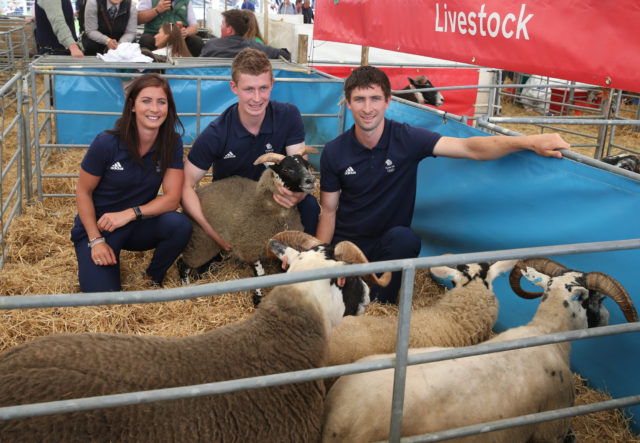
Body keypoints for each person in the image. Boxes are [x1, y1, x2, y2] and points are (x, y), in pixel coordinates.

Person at [316, 65, 571, 304]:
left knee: (405, 239)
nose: (367, 107)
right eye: (359, 99)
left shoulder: (406, 138)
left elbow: (469, 147)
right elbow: (328, 210)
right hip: (347, 248)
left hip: (388, 246)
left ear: (388, 101)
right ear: (348, 103)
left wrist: (529, 142)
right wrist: (322, 261)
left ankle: (380, 304)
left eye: (375, 99)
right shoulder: (334, 152)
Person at [182, 48, 320, 255]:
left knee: (309, 206)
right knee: (204, 263)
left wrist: (296, 196)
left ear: (272, 84)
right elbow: (185, 183)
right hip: (234, 209)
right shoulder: (216, 133)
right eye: (249, 89)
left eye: (263, 88)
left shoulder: (288, 116)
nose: (257, 98)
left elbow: (299, 165)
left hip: (273, 200)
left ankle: (302, 260)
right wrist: (210, 229)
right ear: (234, 87)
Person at [71, 73, 193, 292]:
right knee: (104, 299)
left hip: (135, 223)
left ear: (169, 107)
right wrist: (95, 240)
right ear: (132, 106)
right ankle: (91, 265)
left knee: (180, 225)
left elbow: (172, 199)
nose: (154, 109)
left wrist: (130, 213)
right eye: (146, 101)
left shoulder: (171, 142)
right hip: (100, 226)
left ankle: (152, 278)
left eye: (161, 102)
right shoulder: (107, 142)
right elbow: (83, 192)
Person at [200, 9, 289, 60]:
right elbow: (284, 54)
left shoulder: (211, 45)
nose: (220, 26)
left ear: (229, 29)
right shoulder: (255, 47)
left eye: (223, 23)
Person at [137, 0, 203, 57]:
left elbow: (194, 26)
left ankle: (186, 68)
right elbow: (139, 19)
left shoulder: (186, 1)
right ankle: (153, 68)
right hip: (155, 35)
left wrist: (186, 32)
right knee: (146, 40)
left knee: (197, 42)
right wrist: (157, 10)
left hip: (179, 38)